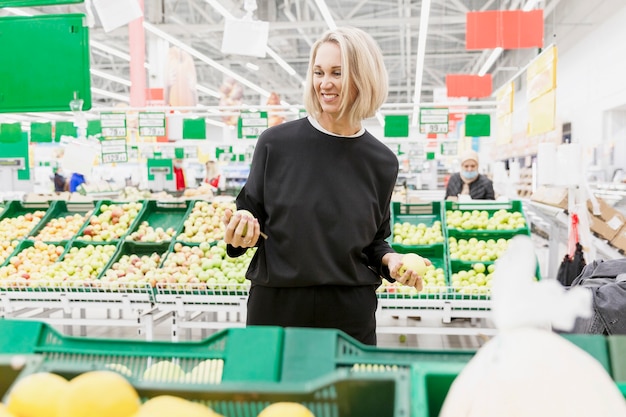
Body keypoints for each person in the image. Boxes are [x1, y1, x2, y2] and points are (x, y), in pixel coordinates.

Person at [222, 26, 430, 346]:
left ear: (364, 78)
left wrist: (392, 261)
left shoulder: (382, 162)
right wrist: (241, 229)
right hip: (276, 309)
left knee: (345, 397)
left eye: (337, 72)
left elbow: (374, 242)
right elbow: (249, 213)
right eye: (318, 72)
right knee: (267, 396)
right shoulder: (275, 144)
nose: (325, 83)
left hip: (349, 315)